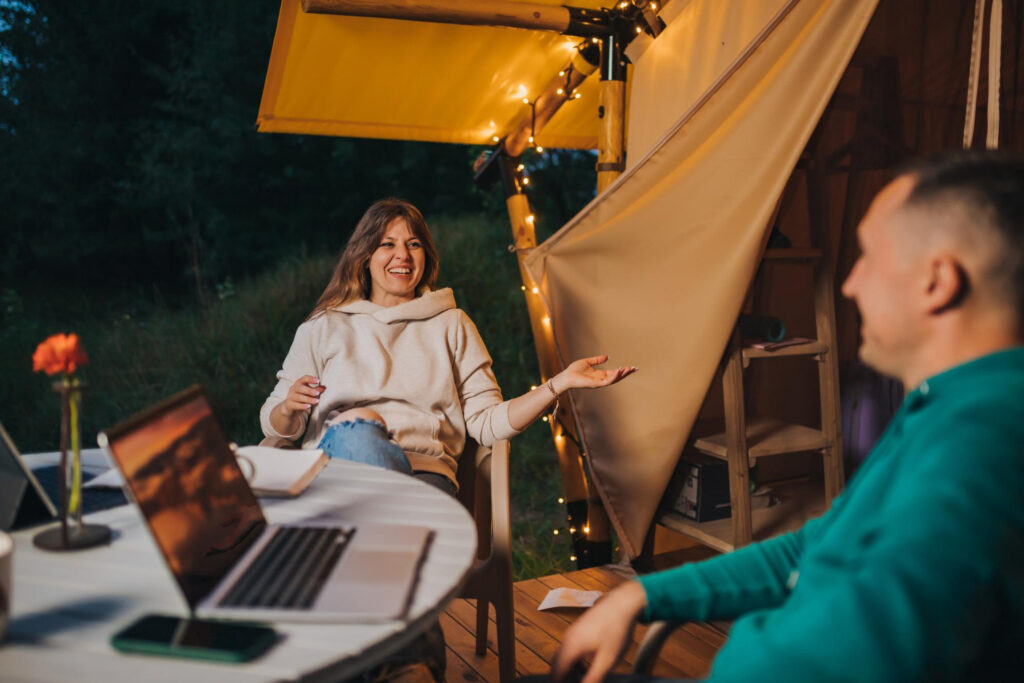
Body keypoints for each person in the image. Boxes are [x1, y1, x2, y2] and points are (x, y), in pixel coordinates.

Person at [543, 151, 1024, 682]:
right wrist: (642, 593)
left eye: (868, 257)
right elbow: (820, 544)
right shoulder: (943, 404)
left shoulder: (985, 444)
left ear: (936, 281)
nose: (850, 284)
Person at [260, 198, 636, 497]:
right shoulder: (323, 327)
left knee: (356, 457)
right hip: (334, 473)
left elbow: (487, 424)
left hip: (421, 479)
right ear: (364, 257)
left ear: (426, 256)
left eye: (413, 244)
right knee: (354, 433)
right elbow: (276, 426)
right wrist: (290, 408)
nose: (402, 256)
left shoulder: (451, 324)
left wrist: (560, 383)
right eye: (387, 244)